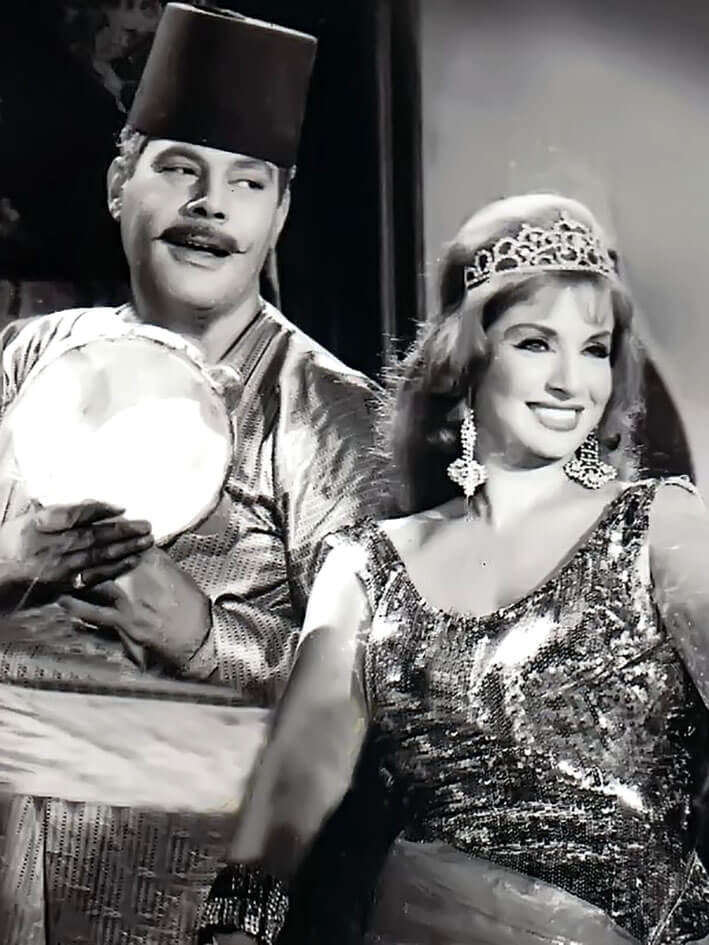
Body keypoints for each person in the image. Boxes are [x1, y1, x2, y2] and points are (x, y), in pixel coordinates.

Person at [198, 193, 709, 945]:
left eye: (595, 348)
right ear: (466, 356)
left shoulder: (660, 527)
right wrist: (235, 929)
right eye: (535, 342)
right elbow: (293, 789)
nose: (572, 382)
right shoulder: (366, 568)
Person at [0, 5, 387, 944]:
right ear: (118, 183)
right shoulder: (30, 358)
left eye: (246, 183)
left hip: (191, 899)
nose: (210, 205)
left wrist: (198, 631)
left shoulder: (334, 417)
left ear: (279, 214)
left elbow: (380, 700)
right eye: (180, 168)